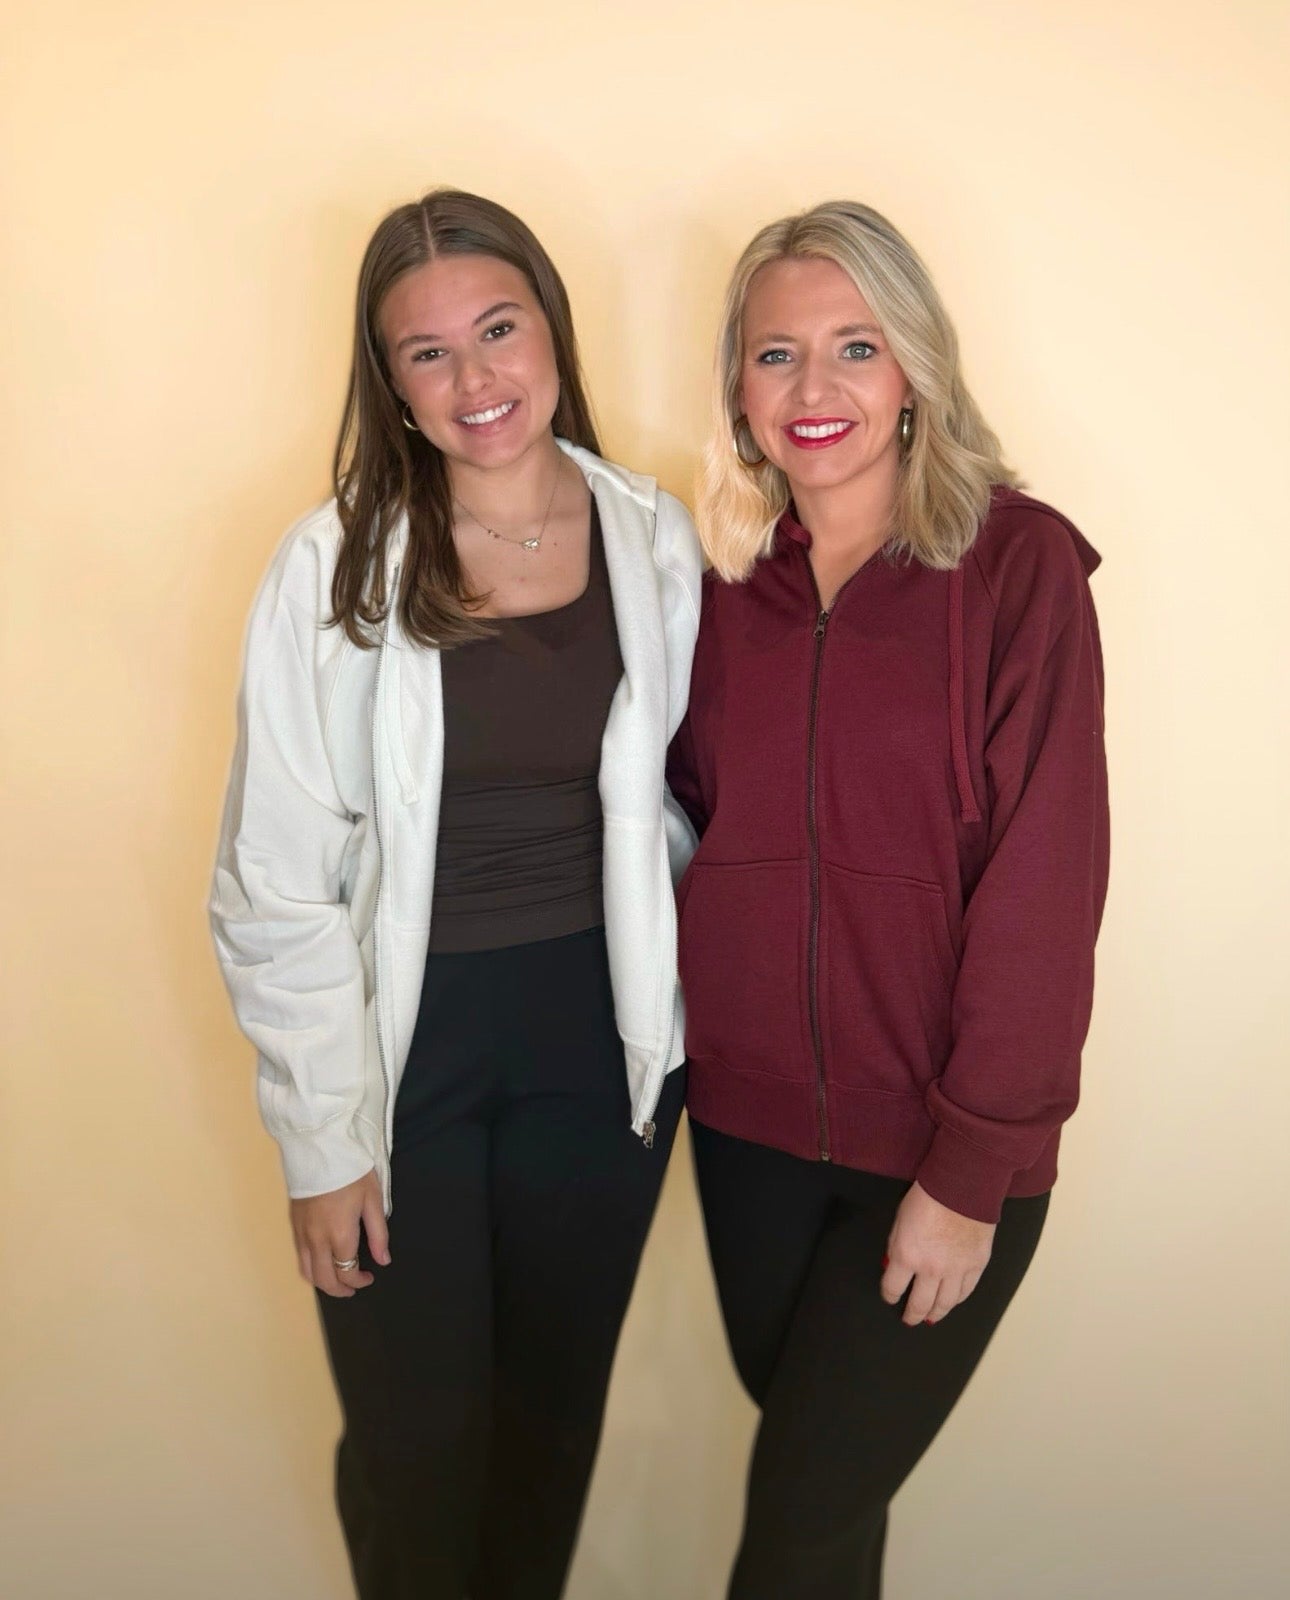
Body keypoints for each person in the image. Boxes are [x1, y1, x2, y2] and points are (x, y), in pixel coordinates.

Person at [210, 188, 701, 1600]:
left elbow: (672, 798)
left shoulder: (652, 535)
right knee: (416, 1445)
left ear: (549, 328)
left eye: (498, 329)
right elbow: (271, 879)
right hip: (399, 1053)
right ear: (389, 384)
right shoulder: (331, 565)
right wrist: (321, 1141)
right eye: (426, 353)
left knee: (550, 1433)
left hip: (594, 1044)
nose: (475, 379)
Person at [667, 200, 1109, 1599]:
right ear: (735, 392)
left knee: (790, 1533)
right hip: (741, 1136)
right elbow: (671, 824)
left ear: (913, 368)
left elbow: (1047, 874)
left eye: (854, 347)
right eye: (775, 355)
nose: (816, 391)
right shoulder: (707, 587)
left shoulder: (1017, 567)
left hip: (936, 1143)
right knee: (826, 1515)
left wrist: (971, 1166)